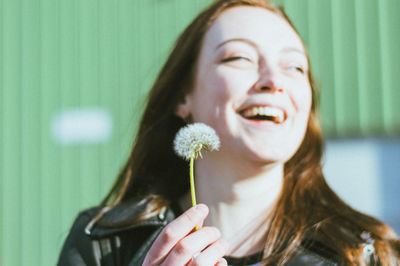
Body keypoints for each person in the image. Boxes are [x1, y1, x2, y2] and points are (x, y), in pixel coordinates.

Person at [58, 0, 400, 265]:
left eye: (294, 66)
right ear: (183, 96)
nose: (273, 80)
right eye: (238, 57)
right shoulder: (103, 243)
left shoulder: (367, 253)